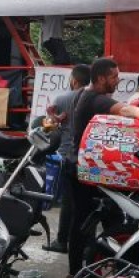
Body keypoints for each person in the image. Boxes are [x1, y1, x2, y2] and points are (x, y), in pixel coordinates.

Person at [66, 57, 126, 278]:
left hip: (83, 166)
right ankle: (79, 272)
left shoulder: (84, 93)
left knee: (89, 220)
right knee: (97, 220)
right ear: (101, 78)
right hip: (84, 170)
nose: (117, 80)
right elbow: (129, 112)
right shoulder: (96, 99)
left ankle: (81, 270)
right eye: (114, 76)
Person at [43, 64, 91, 254]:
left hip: (66, 155)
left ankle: (62, 240)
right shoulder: (95, 99)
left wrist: (50, 117)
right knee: (86, 202)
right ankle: (86, 243)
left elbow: (48, 128)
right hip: (89, 157)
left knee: (69, 201)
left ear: (74, 80)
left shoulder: (62, 99)